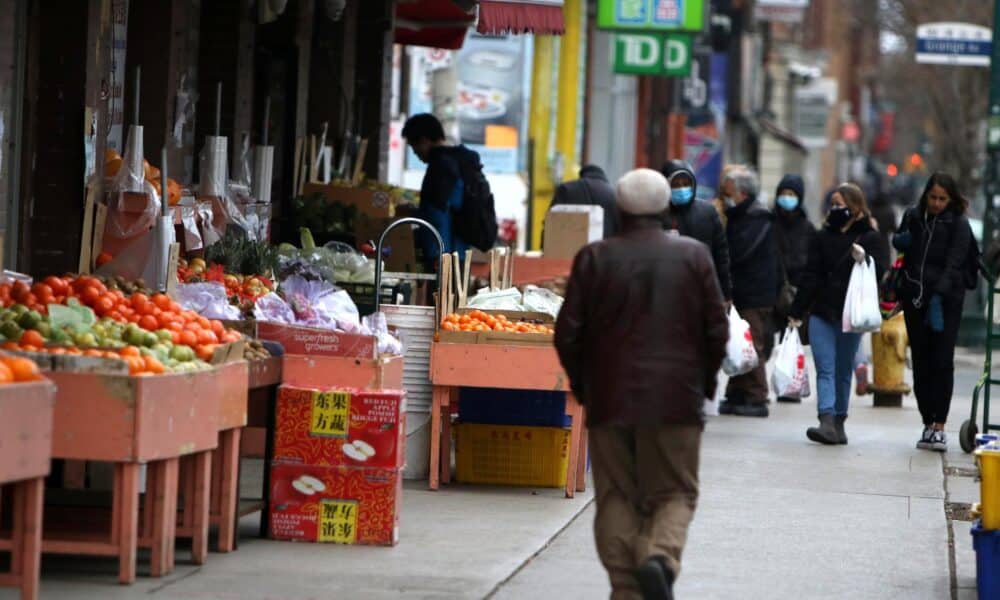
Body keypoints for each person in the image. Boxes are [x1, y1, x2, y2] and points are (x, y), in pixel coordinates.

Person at [555, 168, 728, 600]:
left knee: (616, 498)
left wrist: (585, 387)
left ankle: (627, 590)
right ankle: (660, 558)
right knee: (674, 493)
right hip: (676, 400)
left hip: (610, 399)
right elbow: (716, 331)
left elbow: (568, 333)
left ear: (619, 209)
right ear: (668, 206)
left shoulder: (594, 258)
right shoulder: (694, 256)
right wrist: (703, 385)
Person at [788, 183, 885, 445]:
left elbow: (879, 273)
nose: (835, 209)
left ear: (855, 207)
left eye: (840, 204)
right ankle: (826, 419)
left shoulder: (870, 238)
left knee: (843, 370)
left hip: (851, 315)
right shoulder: (821, 236)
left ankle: (839, 421)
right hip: (822, 312)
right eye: (832, 204)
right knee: (825, 367)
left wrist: (865, 259)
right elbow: (810, 276)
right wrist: (796, 311)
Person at [893, 172, 976, 452]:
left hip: (945, 301)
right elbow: (903, 256)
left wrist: (938, 294)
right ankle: (927, 421)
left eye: (942, 199)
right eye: (933, 197)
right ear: (925, 195)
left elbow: (955, 263)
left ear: (951, 199)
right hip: (915, 298)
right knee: (921, 361)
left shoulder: (959, 224)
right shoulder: (914, 217)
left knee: (941, 361)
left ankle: (939, 424)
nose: (937, 203)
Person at [720, 167, 778, 417]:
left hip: (755, 294)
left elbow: (739, 251)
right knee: (738, 344)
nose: (726, 196)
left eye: (729, 191)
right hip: (743, 293)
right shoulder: (739, 215)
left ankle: (756, 396)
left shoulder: (756, 218)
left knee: (752, 346)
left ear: (742, 192)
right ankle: (737, 392)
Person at [401, 113, 475, 271]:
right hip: (458, 251)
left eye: (415, 148)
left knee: (439, 295)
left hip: (443, 253)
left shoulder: (441, 165)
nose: (416, 154)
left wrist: (435, 254)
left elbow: (437, 213)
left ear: (424, 141)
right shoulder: (455, 160)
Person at [772, 174, 817, 402]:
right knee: (767, 341)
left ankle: (790, 385)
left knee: (791, 341)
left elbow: (813, 259)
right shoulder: (770, 223)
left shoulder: (807, 227)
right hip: (772, 289)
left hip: (796, 292)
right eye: (783, 194)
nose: (787, 199)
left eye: (791, 194)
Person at [661, 160, 733, 302]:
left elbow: (721, 256)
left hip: (702, 292)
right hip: (667, 293)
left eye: (686, 184)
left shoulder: (707, 212)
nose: (681, 189)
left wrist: (726, 294)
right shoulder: (658, 213)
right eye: (675, 185)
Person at [550, 164, 621, 239]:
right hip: (603, 247)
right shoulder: (613, 194)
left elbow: (550, 222)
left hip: (567, 246)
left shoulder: (566, 189)